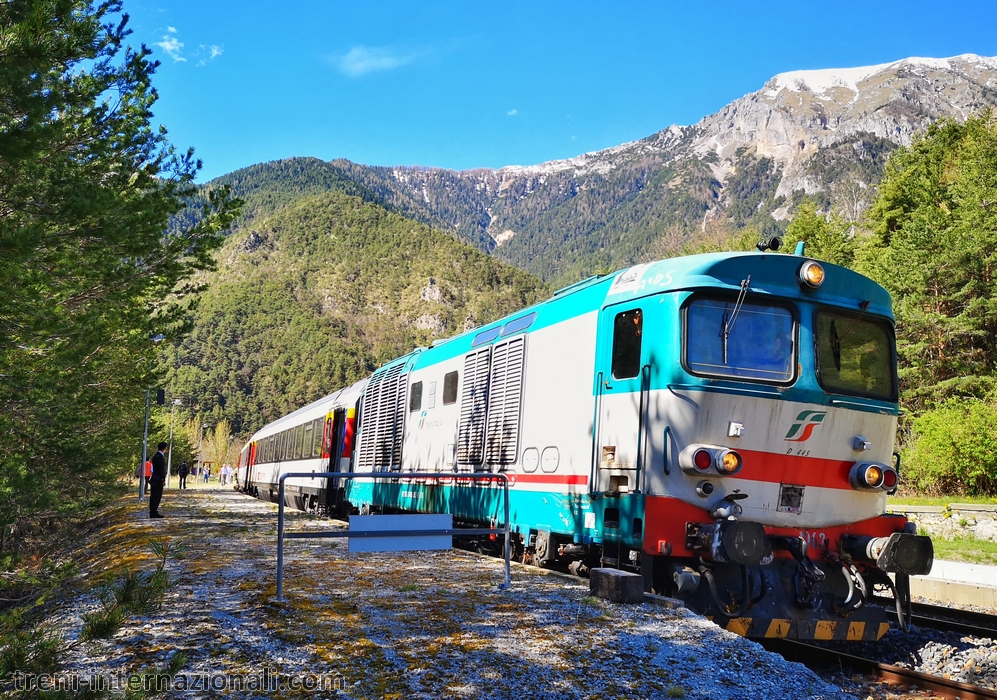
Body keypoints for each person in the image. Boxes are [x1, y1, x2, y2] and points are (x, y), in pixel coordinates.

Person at [149, 441, 168, 518]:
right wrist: (163, 479)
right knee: (157, 496)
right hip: (158, 479)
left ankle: (153, 511)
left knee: (153, 496)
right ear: (164, 448)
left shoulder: (155, 456)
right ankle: (154, 512)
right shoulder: (160, 457)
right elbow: (161, 469)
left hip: (154, 478)